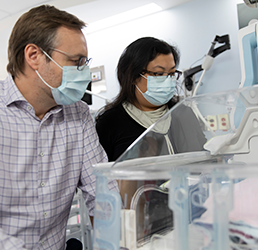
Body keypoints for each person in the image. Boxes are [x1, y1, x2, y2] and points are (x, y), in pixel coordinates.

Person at [0, 5, 117, 250]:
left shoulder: (79, 114)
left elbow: (102, 192)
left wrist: (117, 241)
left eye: (85, 62)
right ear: (34, 56)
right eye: (76, 61)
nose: (84, 72)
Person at [95, 37, 206, 162]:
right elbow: (102, 176)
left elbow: (204, 157)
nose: (168, 80)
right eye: (158, 74)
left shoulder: (183, 113)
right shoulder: (110, 123)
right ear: (132, 76)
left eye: (171, 73)